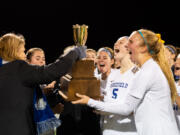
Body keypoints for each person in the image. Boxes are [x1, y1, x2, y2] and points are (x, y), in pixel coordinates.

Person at [72, 29, 180, 135]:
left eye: (129, 42)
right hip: (109, 129)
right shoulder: (115, 74)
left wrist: (90, 102)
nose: (126, 45)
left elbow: (127, 108)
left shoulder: (143, 72)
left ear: (142, 48)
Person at [0, 33, 86, 135]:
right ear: (14, 50)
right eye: (22, 51)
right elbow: (52, 71)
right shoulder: (19, 68)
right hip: (18, 128)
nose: (24, 55)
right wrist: (75, 52)